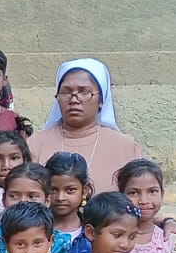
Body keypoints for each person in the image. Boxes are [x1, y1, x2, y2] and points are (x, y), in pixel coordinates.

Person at [29, 59, 143, 190]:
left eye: (84, 92)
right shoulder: (34, 145)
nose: (74, 99)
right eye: (66, 92)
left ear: (101, 100)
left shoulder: (126, 147)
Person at [45, 152, 93, 253]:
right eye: (53, 190)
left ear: (85, 190)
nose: (60, 197)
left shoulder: (93, 232)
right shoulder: (36, 229)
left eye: (70, 190)